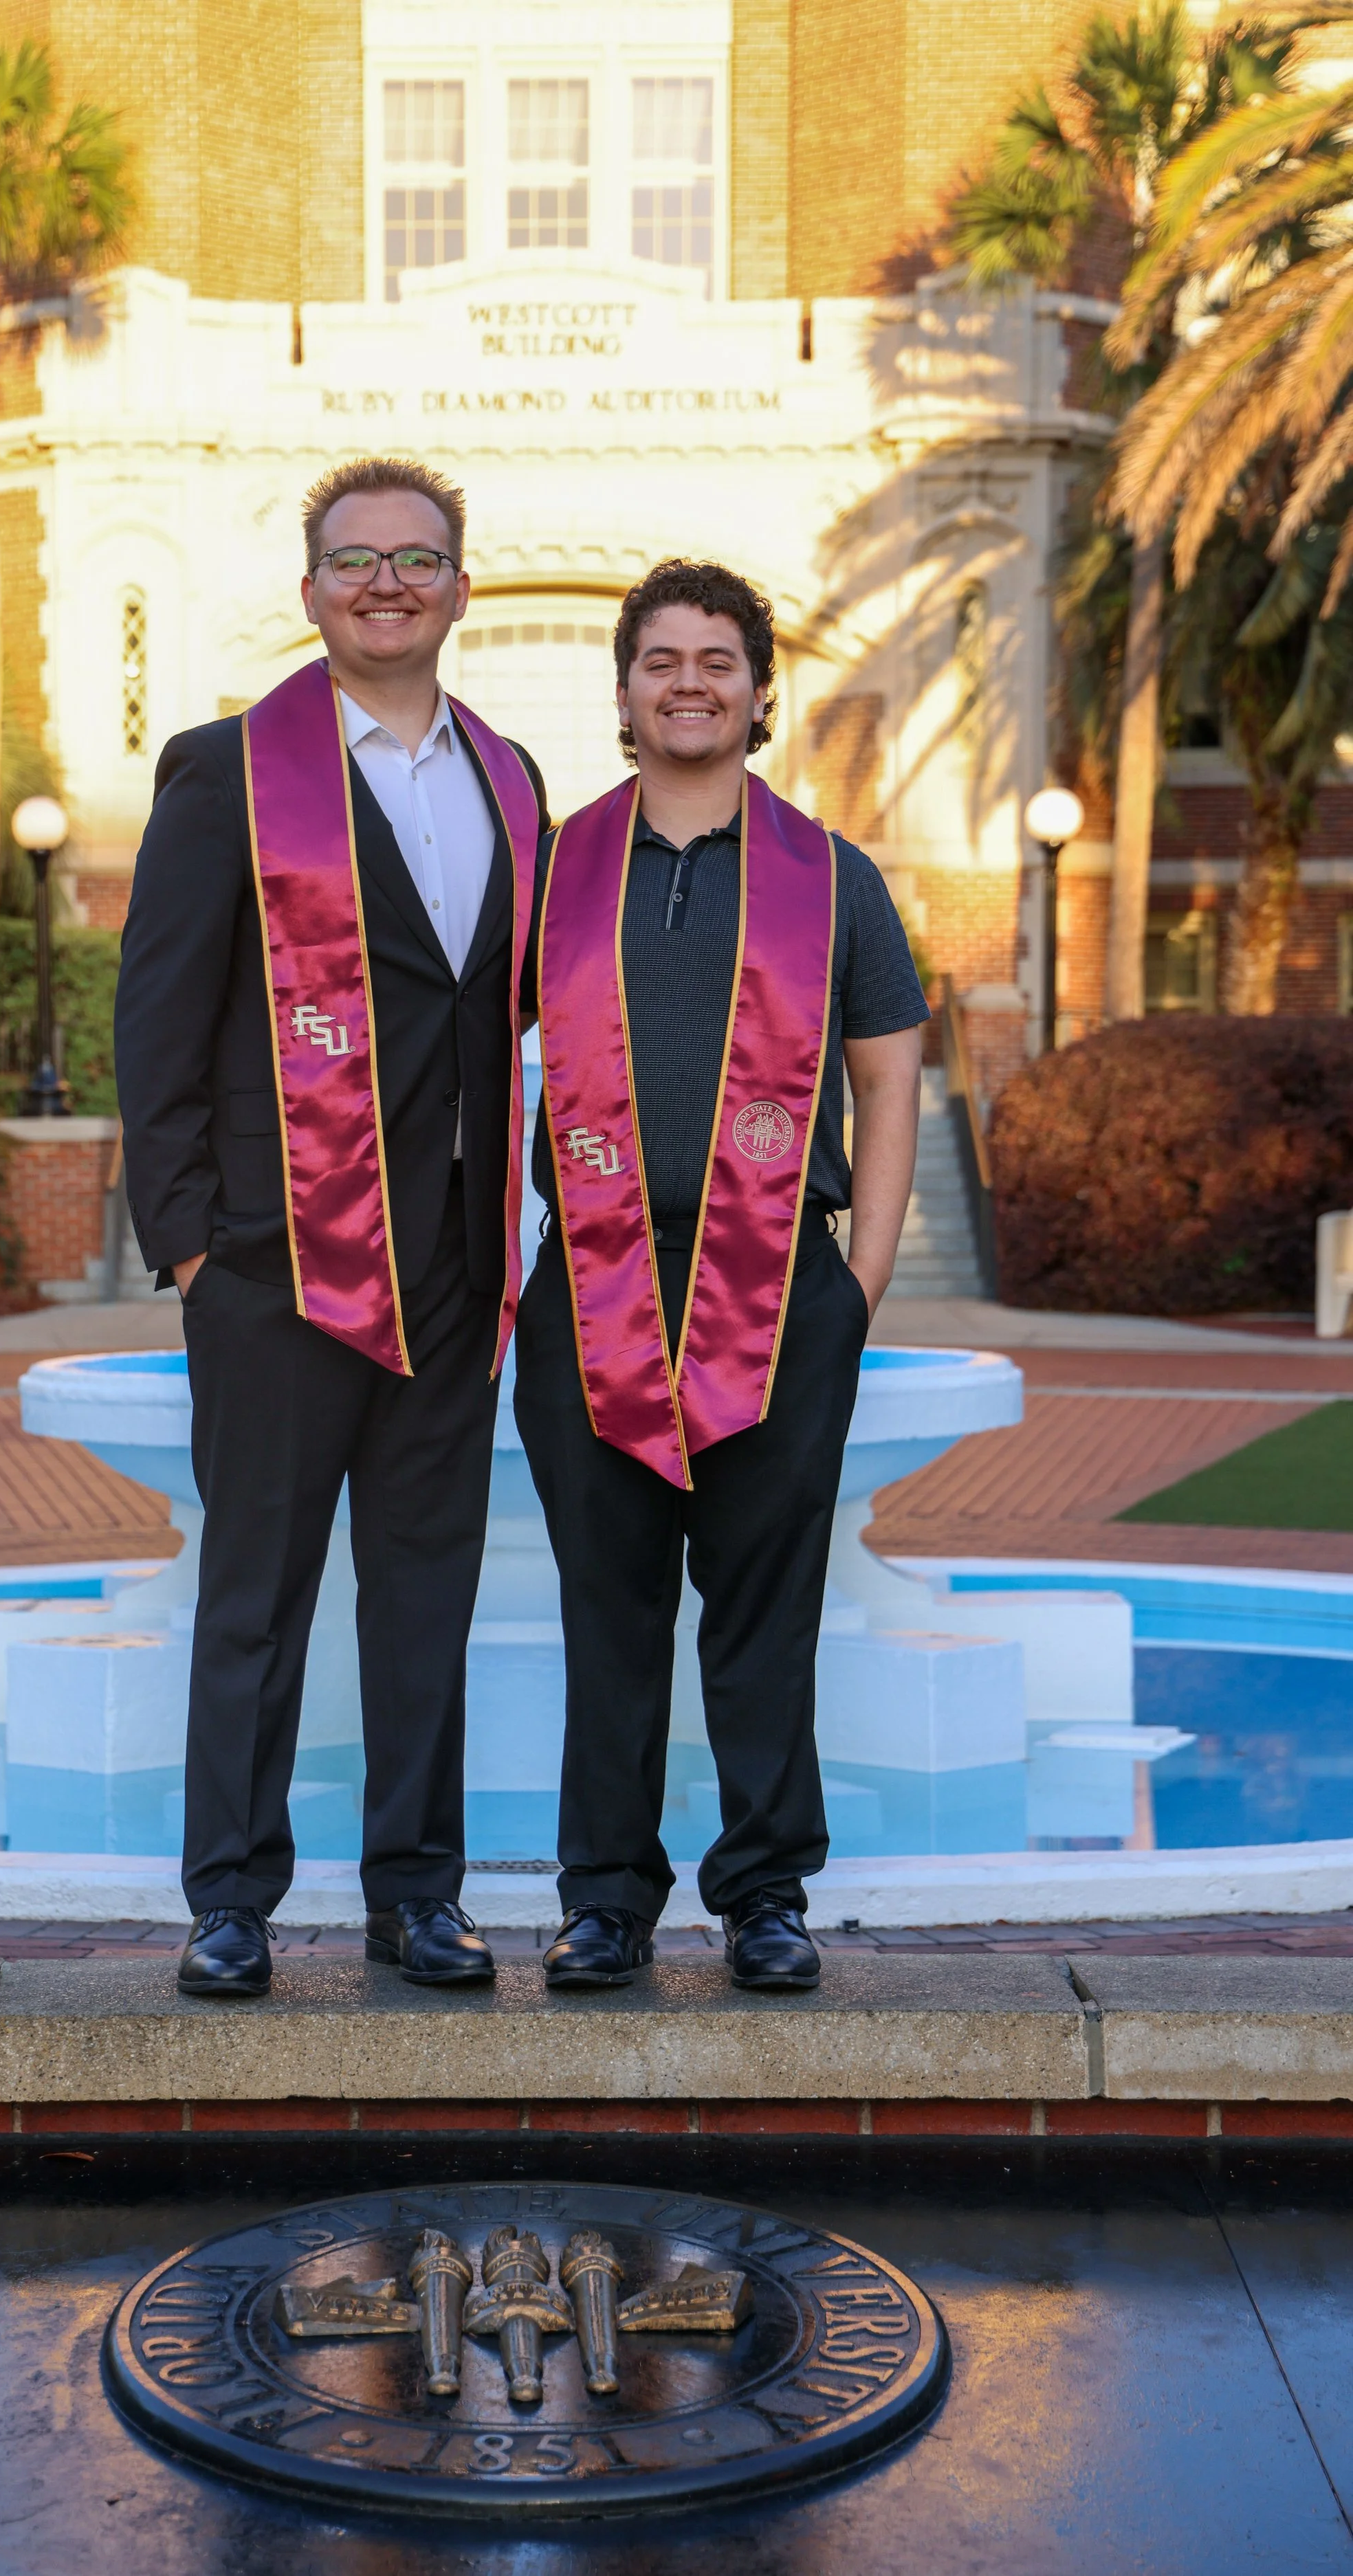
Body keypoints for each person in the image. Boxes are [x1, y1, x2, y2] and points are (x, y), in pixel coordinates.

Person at [116, 456, 545, 1999]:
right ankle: (231, 1899)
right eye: (355, 560)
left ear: (459, 588)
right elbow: (158, 1020)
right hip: (274, 1259)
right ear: (309, 593)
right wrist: (191, 1247)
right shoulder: (227, 771)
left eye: (416, 559)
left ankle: (415, 1895)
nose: (386, 583)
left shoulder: (510, 780)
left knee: (425, 1595)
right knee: (257, 1595)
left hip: (453, 1262)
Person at [515, 559, 926, 1993]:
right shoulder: (552, 870)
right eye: (661, 660)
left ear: (758, 695)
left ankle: (763, 1893)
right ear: (624, 692)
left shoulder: (831, 876)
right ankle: (604, 1900)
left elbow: (889, 1078)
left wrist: (860, 1283)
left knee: (766, 1602)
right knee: (607, 1603)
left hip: (777, 1284)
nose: (687, 683)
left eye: (717, 662)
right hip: (590, 1282)